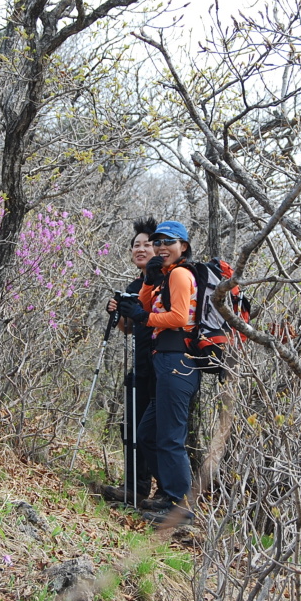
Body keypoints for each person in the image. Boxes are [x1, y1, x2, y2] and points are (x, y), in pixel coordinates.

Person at [118, 220, 200, 525]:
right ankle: (166, 495)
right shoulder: (163, 277)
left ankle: (178, 505)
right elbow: (140, 306)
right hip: (164, 359)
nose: (162, 246)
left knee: (169, 437)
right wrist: (150, 281)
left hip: (178, 359)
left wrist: (145, 316)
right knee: (148, 433)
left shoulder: (179, 273)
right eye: (158, 242)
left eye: (169, 242)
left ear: (184, 247)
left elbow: (178, 316)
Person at [102, 217, 159, 505]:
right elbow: (127, 328)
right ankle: (134, 487)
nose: (141, 249)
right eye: (136, 245)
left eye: (147, 244)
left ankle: (162, 493)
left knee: (155, 430)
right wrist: (119, 310)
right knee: (132, 427)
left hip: (162, 364)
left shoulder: (166, 279)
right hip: (140, 364)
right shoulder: (134, 284)